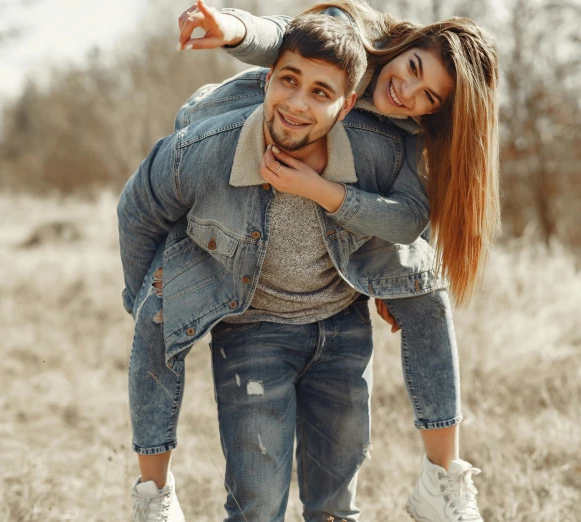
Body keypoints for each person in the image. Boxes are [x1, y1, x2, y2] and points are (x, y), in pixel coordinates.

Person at [171, 2, 500, 521]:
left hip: (336, 268)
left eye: (428, 96)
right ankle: (155, 488)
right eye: (412, 68)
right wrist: (232, 27)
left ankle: (443, 477)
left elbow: (411, 220)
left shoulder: (408, 132)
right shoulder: (354, 37)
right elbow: (283, 35)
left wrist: (330, 199)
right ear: (406, 42)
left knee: (429, 287)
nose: (407, 93)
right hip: (215, 144)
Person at [120, 14, 435, 522]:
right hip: (253, 333)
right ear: (268, 79)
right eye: (288, 80)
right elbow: (137, 209)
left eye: (319, 92)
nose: (296, 103)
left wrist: (392, 288)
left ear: (346, 104)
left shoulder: (376, 150)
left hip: (341, 330)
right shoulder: (204, 151)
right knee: (258, 506)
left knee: (335, 505)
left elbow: (412, 218)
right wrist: (143, 303)